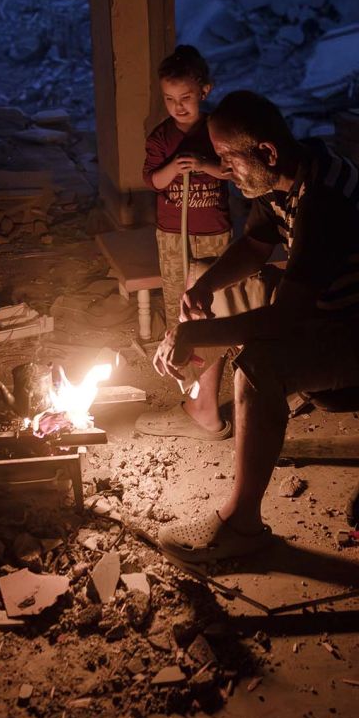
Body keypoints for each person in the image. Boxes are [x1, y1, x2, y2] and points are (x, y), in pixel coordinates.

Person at [153, 91, 359, 562]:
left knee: (258, 368)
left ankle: (243, 526)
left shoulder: (325, 201)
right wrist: (202, 291)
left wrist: (195, 333)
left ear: (266, 153)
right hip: (326, 310)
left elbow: (284, 320)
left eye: (228, 161)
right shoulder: (284, 176)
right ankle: (202, 403)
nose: (224, 171)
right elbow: (256, 246)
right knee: (205, 281)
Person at [134, 45, 235, 439]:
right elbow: (151, 181)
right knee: (182, 309)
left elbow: (232, 171)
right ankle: (195, 394)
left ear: (205, 91)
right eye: (170, 100)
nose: (178, 107)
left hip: (213, 234)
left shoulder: (216, 130)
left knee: (209, 310)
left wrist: (205, 166)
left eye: (187, 98)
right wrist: (172, 168)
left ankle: (204, 405)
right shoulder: (161, 137)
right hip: (174, 238)